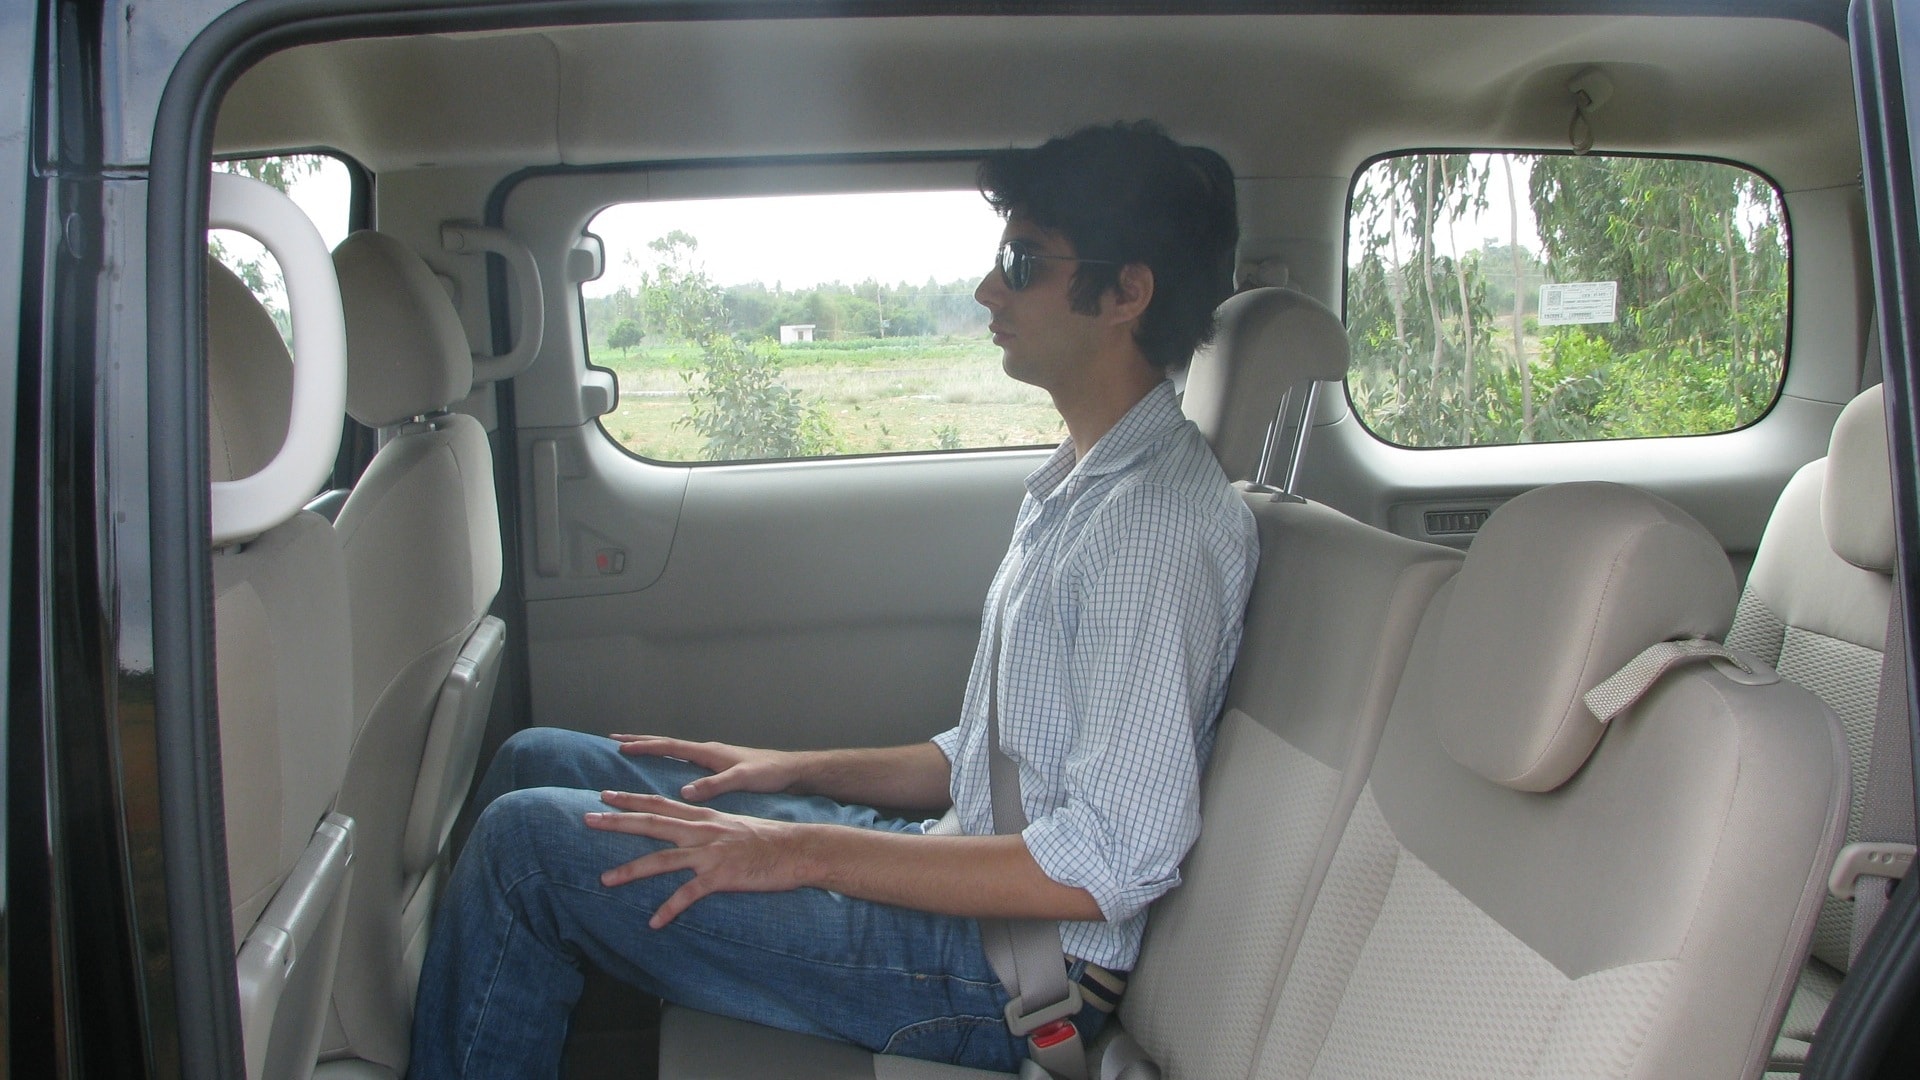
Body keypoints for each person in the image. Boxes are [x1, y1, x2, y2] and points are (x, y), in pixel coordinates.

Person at [409, 120, 1258, 1078]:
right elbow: (990, 758)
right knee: (538, 759)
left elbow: (1111, 858)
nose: (989, 288)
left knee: (526, 852)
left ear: (1128, 293)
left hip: (1007, 973)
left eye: (1022, 261)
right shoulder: (1088, 485)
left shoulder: (1153, 525)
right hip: (969, 885)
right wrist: (782, 771)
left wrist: (796, 850)